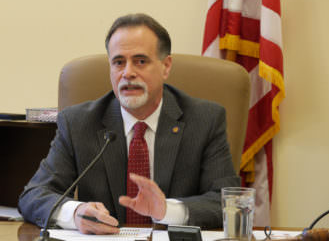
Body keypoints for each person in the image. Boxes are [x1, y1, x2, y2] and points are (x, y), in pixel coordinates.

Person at [18, 13, 240, 234]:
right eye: (118, 62)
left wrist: (167, 211)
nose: (128, 73)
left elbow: (225, 203)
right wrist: (76, 213)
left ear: (166, 66)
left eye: (140, 61)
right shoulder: (78, 123)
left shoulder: (205, 119)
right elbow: (34, 195)